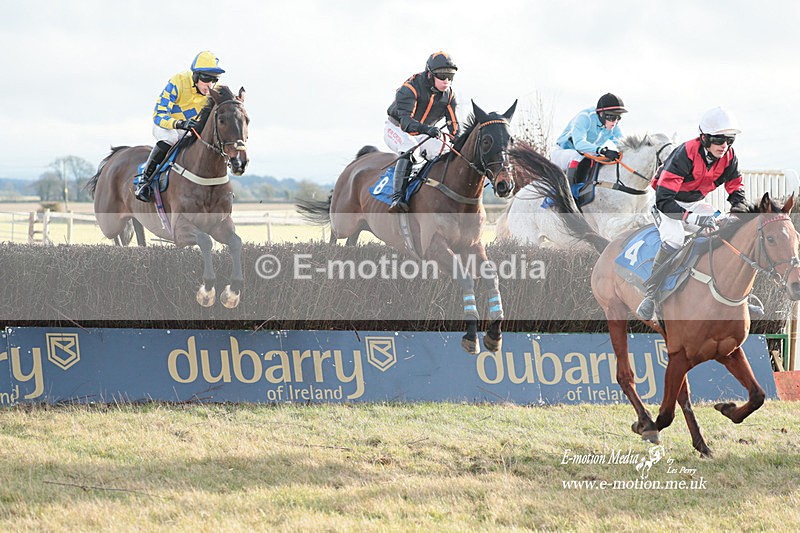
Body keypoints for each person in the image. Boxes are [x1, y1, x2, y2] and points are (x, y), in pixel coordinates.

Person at [636, 106, 750, 320]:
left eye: (729, 140)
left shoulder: (729, 157)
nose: (724, 146)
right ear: (705, 138)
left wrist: (737, 213)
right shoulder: (685, 153)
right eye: (718, 140)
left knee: (726, 232)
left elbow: (737, 189)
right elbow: (664, 199)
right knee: (675, 239)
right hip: (667, 203)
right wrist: (690, 217)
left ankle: (740, 297)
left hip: (696, 203)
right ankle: (650, 294)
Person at [134, 51, 225, 202]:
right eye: (206, 79)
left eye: (214, 80)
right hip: (168, 126)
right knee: (171, 137)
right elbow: (159, 115)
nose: (210, 85)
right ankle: (145, 180)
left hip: (192, 130)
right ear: (195, 76)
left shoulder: (214, 91)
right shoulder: (178, 82)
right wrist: (179, 124)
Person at [384, 51, 460, 212]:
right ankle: (397, 199)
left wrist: (460, 143)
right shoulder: (410, 88)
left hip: (424, 133)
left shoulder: (450, 95)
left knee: (442, 150)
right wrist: (427, 129)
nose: (446, 80)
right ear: (430, 74)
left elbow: (453, 125)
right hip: (397, 128)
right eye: (442, 75)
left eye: (450, 76)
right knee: (410, 149)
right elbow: (406, 123)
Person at [551, 93, 627, 183]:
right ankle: (571, 192)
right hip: (562, 152)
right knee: (579, 156)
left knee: (603, 159)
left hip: (586, 154)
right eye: (612, 117)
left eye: (618, 117)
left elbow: (623, 144)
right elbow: (579, 144)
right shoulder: (585, 117)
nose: (615, 122)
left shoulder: (613, 126)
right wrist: (603, 150)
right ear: (601, 114)